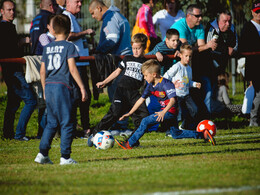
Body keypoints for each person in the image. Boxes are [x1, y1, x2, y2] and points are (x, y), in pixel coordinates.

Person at [115, 59, 215, 149]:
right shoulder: (150, 86)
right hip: (166, 112)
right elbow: (140, 100)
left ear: (154, 74)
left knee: (145, 121)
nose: (144, 78)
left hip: (170, 111)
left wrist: (163, 112)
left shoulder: (166, 84)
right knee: (176, 134)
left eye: (145, 75)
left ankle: (129, 144)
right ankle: (204, 135)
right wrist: (129, 113)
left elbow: (173, 100)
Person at [34, 14, 87, 165]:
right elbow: (72, 68)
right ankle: (65, 157)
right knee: (67, 122)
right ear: (69, 29)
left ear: (54, 30)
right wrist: (82, 87)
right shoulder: (70, 46)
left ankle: (42, 153)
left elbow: (42, 71)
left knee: (51, 122)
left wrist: (44, 89)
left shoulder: (48, 47)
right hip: (62, 87)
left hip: (49, 86)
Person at [87, 33, 150, 147]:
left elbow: (148, 79)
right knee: (115, 113)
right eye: (134, 48)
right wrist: (104, 82)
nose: (135, 51)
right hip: (121, 91)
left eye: (138, 48)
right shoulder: (127, 58)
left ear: (144, 47)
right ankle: (94, 134)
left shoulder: (145, 63)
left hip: (135, 94)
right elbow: (117, 72)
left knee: (144, 117)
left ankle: (131, 141)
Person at [89, 0, 132, 130]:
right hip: (123, 60)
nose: (92, 16)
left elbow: (112, 39)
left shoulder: (111, 18)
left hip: (119, 61)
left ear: (99, 8)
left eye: (92, 13)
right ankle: (120, 124)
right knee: (121, 95)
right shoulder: (117, 15)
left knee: (116, 96)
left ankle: (120, 126)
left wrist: (98, 50)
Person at [169, 4, 217, 115]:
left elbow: (201, 47)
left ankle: (204, 117)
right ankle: (175, 122)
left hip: (187, 65)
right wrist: (207, 46)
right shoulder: (180, 26)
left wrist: (207, 46)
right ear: (188, 16)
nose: (200, 18)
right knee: (178, 94)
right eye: (197, 16)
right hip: (172, 64)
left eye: (201, 15)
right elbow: (186, 49)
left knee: (202, 87)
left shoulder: (199, 26)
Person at [0, 0, 37, 140]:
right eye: (9, 10)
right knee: (31, 101)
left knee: (13, 103)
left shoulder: (10, 26)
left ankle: (7, 134)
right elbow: (8, 50)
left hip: (12, 70)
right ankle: (19, 134)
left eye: (13, 10)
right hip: (13, 70)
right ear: (2, 11)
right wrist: (21, 43)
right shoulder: (4, 27)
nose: (12, 12)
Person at [63, 0, 95, 137]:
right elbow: (67, 35)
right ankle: (80, 129)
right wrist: (85, 32)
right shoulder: (67, 16)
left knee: (84, 97)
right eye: (77, 1)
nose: (80, 4)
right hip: (75, 65)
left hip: (81, 64)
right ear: (68, 3)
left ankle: (82, 127)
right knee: (80, 97)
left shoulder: (72, 17)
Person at [163, 43, 201, 130]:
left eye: (190, 56)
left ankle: (184, 126)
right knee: (177, 114)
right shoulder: (176, 67)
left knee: (194, 110)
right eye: (186, 56)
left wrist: (195, 84)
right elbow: (165, 77)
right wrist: (173, 84)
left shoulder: (189, 68)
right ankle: (170, 130)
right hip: (176, 95)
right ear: (180, 55)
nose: (188, 58)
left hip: (186, 95)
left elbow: (188, 82)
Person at [239, 0, 260, 127]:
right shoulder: (248, 27)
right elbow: (243, 47)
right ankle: (253, 120)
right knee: (258, 94)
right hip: (255, 67)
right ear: (252, 12)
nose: (259, 14)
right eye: (257, 12)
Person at [205, 9, 238, 76]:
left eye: (229, 21)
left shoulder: (232, 27)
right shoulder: (211, 28)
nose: (228, 24)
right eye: (225, 21)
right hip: (210, 62)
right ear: (218, 21)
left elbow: (236, 44)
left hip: (224, 61)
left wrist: (233, 50)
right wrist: (226, 50)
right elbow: (210, 47)